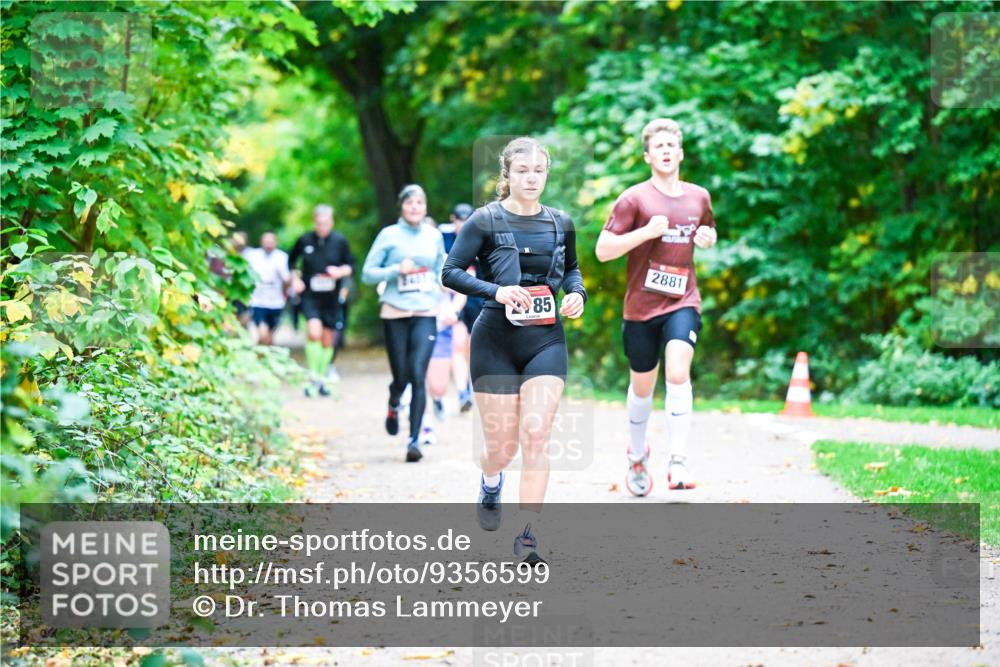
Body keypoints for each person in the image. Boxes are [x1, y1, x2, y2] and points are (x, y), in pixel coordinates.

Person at [442, 137, 586, 564]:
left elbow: (573, 269)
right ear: (507, 175)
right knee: (501, 449)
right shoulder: (484, 221)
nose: (531, 178)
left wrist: (576, 294)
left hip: (545, 340)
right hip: (494, 341)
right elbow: (449, 272)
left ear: (546, 174)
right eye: (522, 171)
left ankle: (528, 537)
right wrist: (497, 290)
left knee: (537, 435)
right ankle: (491, 480)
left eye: (538, 171)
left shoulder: (561, 222)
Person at [594, 118, 718, 496]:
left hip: (683, 300)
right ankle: (636, 453)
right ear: (648, 156)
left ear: (680, 153)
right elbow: (602, 251)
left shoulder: (699, 197)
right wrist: (646, 232)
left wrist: (708, 238)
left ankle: (678, 459)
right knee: (642, 386)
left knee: (678, 371)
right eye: (658, 147)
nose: (666, 151)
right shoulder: (634, 199)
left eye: (671, 146)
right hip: (641, 307)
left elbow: (708, 232)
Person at [362, 185, 446, 463]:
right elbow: (367, 274)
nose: (414, 207)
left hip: (426, 310)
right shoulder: (389, 235)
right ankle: (394, 401)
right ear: (402, 206)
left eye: (420, 202)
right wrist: (396, 270)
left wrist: (444, 290)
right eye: (410, 202)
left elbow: (440, 271)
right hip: (395, 312)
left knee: (417, 373)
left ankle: (414, 440)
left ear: (425, 207)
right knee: (401, 375)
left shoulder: (434, 236)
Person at [289, 205, 356, 397]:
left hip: (331, 298)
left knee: (328, 340)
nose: (322, 227)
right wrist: (296, 278)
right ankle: (313, 377)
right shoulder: (305, 240)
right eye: (319, 223)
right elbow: (291, 261)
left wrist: (340, 272)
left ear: (332, 222)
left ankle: (323, 378)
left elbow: (351, 265)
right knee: (313, 332)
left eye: (326, 223)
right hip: (310, 296)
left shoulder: (340, 241)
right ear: (314, 222)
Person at [442, 203, 478, 412]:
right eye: (459, 220)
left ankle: (472, 387)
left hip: (476, 299)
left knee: (473, 347)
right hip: (452, 297)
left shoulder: (481, 238)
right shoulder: (442, 238)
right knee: (457, 345)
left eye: (467, 220)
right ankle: (463, 391)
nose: (463, 225)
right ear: (452, 219)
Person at [245, 232, 290, 345]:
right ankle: (260, 356)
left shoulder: (282, 257)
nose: (268, 245)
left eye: (271, 242)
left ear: (276, 243)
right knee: (262, 333)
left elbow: (288, 280)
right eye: (266, 242)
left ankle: (262, 357)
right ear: (261, 242)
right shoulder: (252, 256)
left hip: (276, 303)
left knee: (269, 338)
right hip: (258, 301)